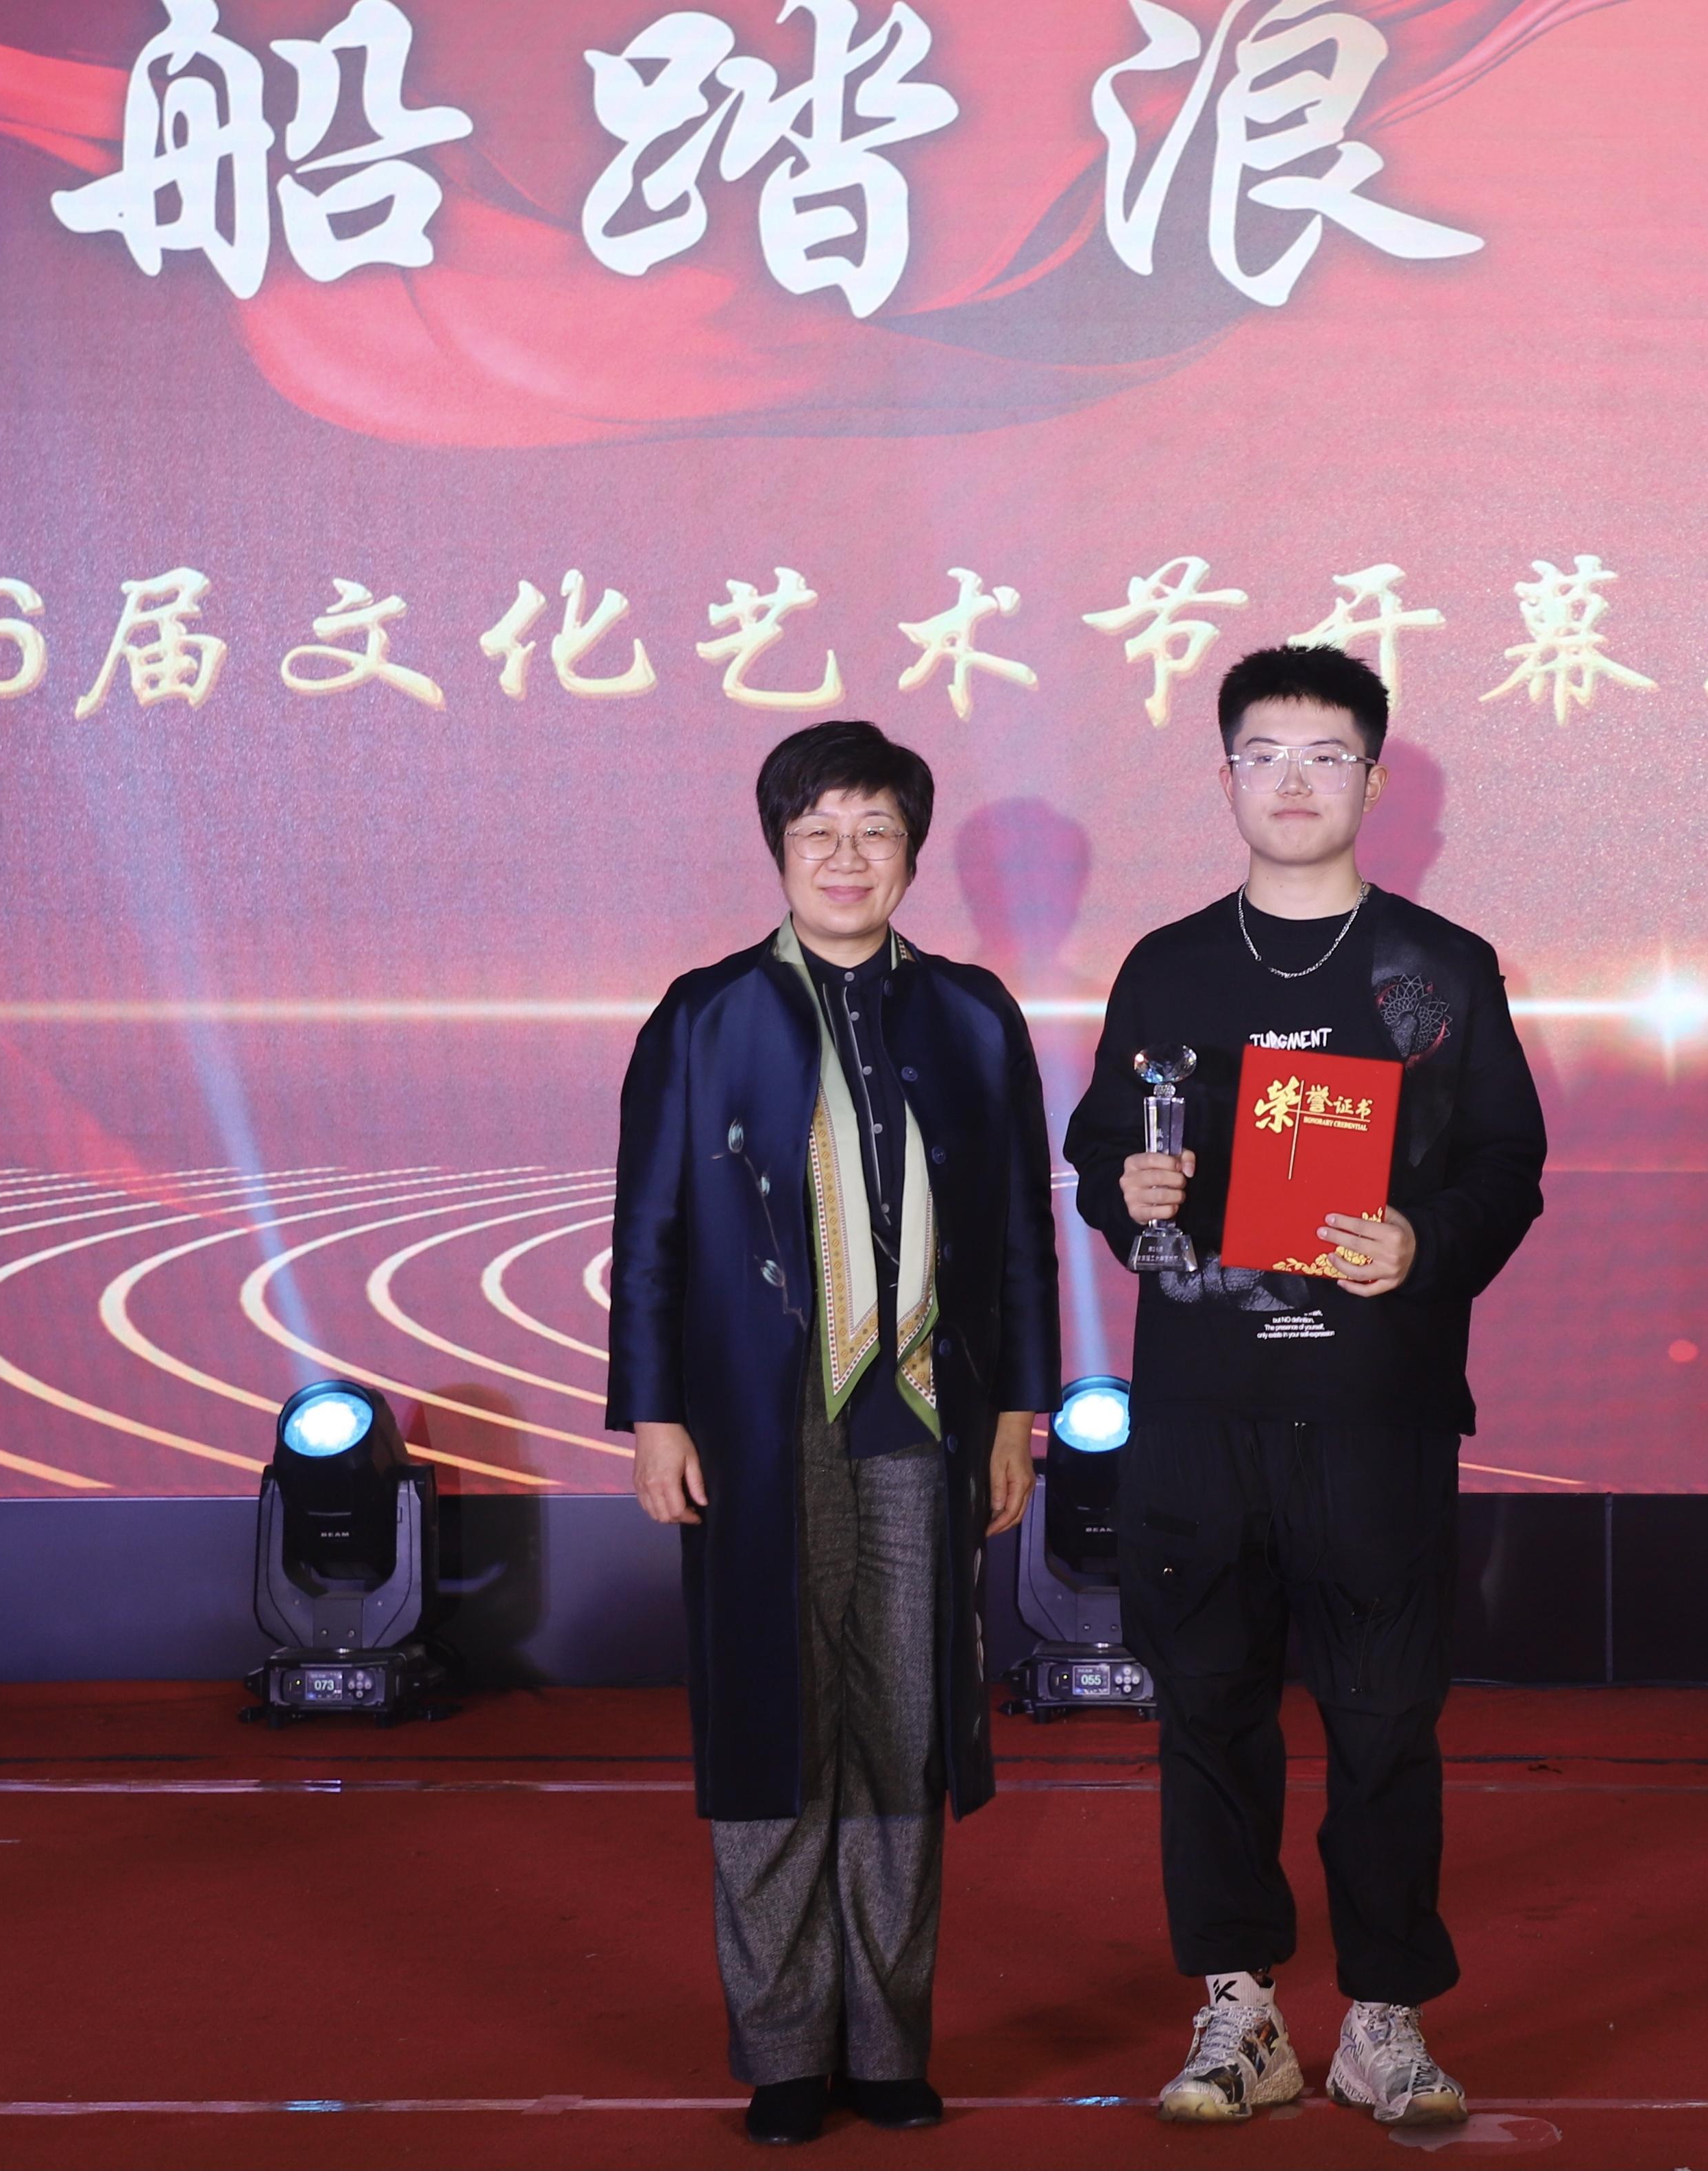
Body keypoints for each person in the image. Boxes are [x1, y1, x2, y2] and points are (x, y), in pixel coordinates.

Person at [1063, 645, 1548, 2128]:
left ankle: (1384, 2019)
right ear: (1226, 778)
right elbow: (1101, 1156)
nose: (1293, 780)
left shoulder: (1440, 969)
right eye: (1264, 753)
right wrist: (1126, 1190)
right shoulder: (1167, 966)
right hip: (1201, 1412)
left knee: (1386, 1720)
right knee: (1208, 1712)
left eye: (1326, 754)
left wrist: (1423, 1242)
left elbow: (1508, 1166)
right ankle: (1241, 2013)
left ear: (1374, 782)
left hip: (1373, 1413)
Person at [609, 720, 1061, 2146]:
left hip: (925, 1415)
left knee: (903, 1721)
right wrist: (654, 1416)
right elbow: (650, 1229)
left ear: (911, 853)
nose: (848, 858)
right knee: (773, 1722)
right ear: (781, 850)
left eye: (875, 831)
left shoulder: (973, 1015)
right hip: (759, 1426)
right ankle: (786, 2050)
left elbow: (1020, 1237)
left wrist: (1020, 1412)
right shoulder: (703, 1016)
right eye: (821, 833)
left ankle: (888, 2042)